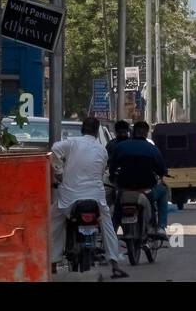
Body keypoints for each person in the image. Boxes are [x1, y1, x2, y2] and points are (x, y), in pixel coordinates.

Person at [49, 116, 127, 278]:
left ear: (82, 129)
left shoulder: (71, 143)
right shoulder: (102, 150)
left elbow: (54, 149)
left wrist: (58, 171)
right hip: (96, 200)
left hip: (69, 200)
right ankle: (114, 263)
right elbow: (100, 173)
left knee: (54, 222)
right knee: (107, 226)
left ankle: (53, 263)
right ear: (97, 132)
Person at [109, 121, 170, 236]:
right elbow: (162, 170)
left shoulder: (120, 147)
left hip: (124, 189)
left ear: (133, 132)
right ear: (146, 133)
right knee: (163, 191)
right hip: (146, 190)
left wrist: (114, 178)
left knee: (116, 206)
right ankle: (161, 227)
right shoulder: (153, 149)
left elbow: (112, 167)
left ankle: (112, 230)